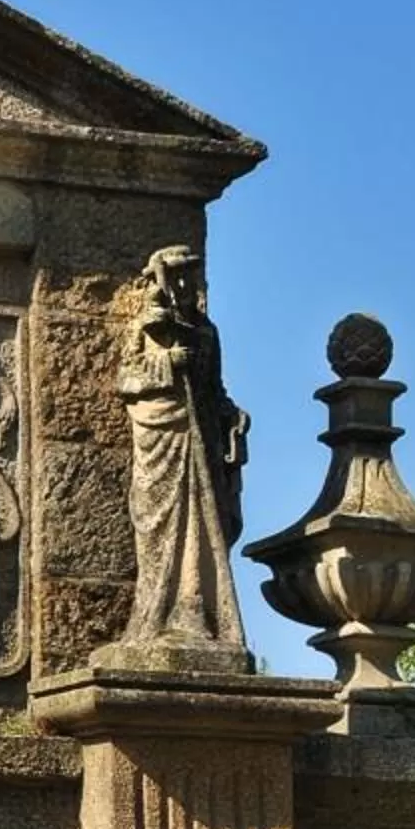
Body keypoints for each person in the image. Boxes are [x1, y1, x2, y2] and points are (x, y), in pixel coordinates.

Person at [119, 244, 249, 651]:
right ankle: (154, 614)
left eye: (190, 276)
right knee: (155, 519)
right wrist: (169, 362)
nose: (184, 284)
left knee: (199, 522)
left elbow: (214, 388)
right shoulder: (147, 326)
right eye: (176, 275)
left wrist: (232, 415)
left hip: (199, 435)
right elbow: (125, 379)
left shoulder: (206, 332)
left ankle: (193, 611)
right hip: (159, 431)